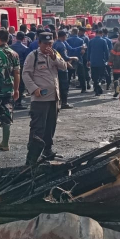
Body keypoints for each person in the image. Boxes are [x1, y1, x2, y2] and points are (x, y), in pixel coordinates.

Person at [22, 32, 67, 165]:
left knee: (50, 126)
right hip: (40, 99)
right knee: (38, 127)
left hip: (54, 97)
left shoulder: (54, 54)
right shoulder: (33, 56)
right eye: (45, 43)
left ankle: (47, 150)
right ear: (39, 43)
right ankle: (31, 157)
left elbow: (64, 66)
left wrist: (54, 57)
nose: (48, 46)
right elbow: (26, 74)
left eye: (50, 43)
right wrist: (34, 89)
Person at [53, 30, 79, 109]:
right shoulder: (62, 45)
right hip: (62, 68)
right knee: (64, 86)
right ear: (64, 36)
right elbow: (65, 57)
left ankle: (58, 101)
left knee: (58, 86)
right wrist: (74, 58)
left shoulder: (54, 44)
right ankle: (64, 103)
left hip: (55, 68)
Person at [87, 27, 110, 96]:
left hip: (93, 62)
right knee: (102, 76)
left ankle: (97, 90)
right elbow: (106, 52)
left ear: (96, 33)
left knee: (95, 77)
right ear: (101, 34)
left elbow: (88, 52)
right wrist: (107, 60)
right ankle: (99, 85)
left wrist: (88, 60)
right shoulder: (103, 41)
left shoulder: (91, 41)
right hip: (101, 62)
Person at [10, 32, 30, 110]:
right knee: (20, 85)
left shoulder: (11, 47)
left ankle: (11, 101)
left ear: (16, 38)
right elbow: (27, 61)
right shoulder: (25, 48)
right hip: (21, 68)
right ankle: (18, 102)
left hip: (11, 68)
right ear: (24, 38)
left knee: (11, 83)